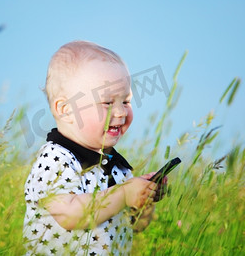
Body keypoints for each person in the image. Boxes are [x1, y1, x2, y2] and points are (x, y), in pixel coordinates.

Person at [23, 40, 163, 255]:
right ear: (66, 109)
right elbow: (69, 215)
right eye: (108, 103)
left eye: (126, 101)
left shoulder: (118, 167)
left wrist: (143, 200)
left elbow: (133, 227)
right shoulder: (55, 159)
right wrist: (124, 194)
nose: (121, 113)